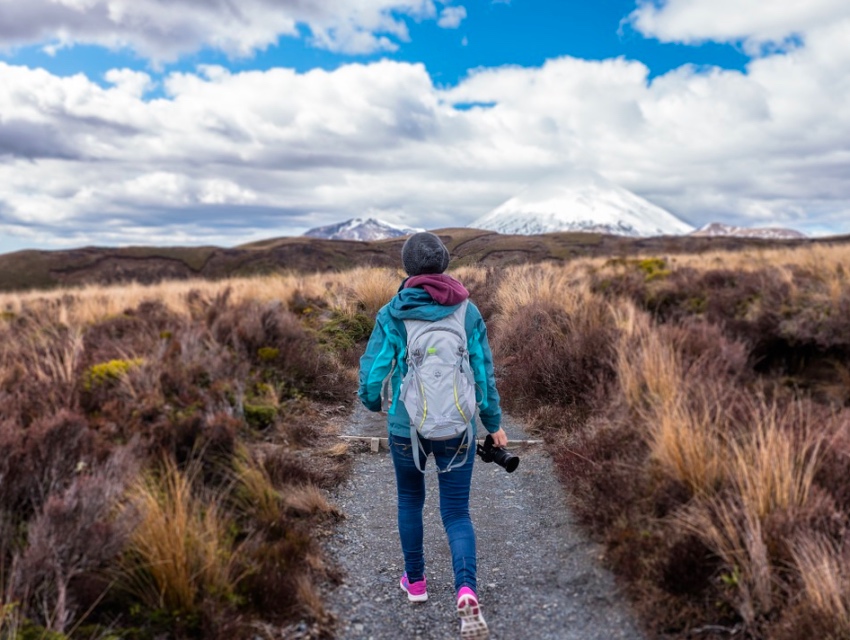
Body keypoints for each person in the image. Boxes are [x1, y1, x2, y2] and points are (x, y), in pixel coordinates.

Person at [358, 231, 506, 640]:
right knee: (456, 512)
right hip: (458, 426)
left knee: (410, 499)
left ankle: (417, 583)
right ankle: (465, 589)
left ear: (408, 268)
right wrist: (493, 423)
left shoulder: (392, 312)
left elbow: (373, 374)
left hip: (408, 426)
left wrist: (374, 405)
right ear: (443, 264)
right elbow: (483, 374)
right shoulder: (468, 311)